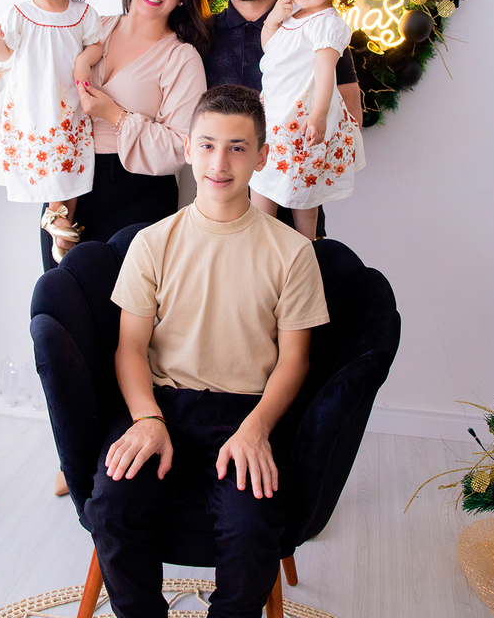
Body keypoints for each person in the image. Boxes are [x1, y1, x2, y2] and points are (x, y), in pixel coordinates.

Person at [83, 85, 329, 618]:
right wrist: (146, 418)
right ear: (188, 149)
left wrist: (257, 428)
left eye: (238, 148)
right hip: (162, 404)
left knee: (252, 525)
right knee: (113, 505)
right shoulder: (152, 242)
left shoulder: (292, 253)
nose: (220, 163)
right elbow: (130, 348)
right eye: (208, 145)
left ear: (262, 156)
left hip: (245, 413)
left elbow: (295, 360)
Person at [36, 0, 210, 271]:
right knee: (58, 295)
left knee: (121, 302)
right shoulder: (87, 27)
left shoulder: (182, 58)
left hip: (136, 194)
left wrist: (114, 114)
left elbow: (180, 148)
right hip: (64, 185)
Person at [205, 0, 362, 238]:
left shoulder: (320, 28)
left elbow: (349, 113)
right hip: (219, 217)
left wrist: (310, 129)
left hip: (297, 190)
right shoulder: (203, 35)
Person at [0, 0, 104, 263]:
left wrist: (83, 60)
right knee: (47, 164)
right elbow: (5, 54)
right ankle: (57, 224)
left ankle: (59, 221)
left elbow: (95, 45)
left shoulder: (82, 14)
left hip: (66, 105)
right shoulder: (20, 14)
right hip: (33, 106)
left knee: (69, 168)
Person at [249, 0, 365, 240]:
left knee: (303, 192)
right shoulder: (292, 16)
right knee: (264, 180)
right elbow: (271, 50)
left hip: (299, 120)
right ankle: (258, 244)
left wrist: (318, 116)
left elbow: (327, 73)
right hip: (275, 113)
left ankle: (308, 245)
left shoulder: (327, 23)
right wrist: (272, 22)